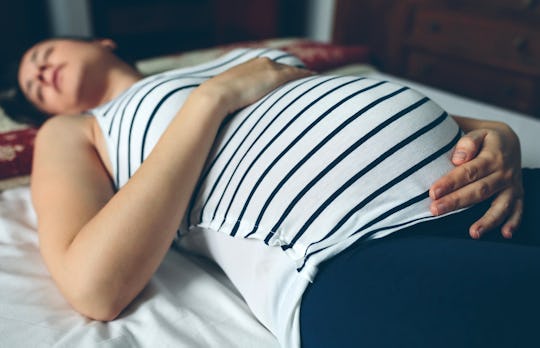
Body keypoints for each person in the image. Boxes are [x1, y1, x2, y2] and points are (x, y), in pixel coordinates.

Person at [13, 38, 540, 348]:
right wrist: (212, 99)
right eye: (34, 87)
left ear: (100, 43)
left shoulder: (246, 54)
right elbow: (92, 287)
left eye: (41, 55)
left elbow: (319, 116)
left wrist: (493, 130)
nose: (39, 72)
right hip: (355, 252)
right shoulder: (76, 130)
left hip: (486, 190)